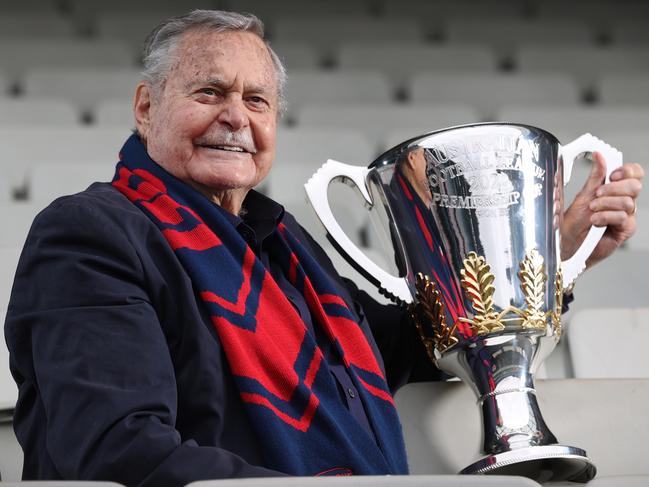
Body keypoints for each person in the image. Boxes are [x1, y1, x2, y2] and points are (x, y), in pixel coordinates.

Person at [3, 9, 643, 487]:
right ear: (146, 108)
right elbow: (118, 450)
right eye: (209, 92)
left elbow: (387, 349)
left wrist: (549, 252)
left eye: (257, 100)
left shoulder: (278, 241)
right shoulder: (90, 234)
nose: (237, 118)